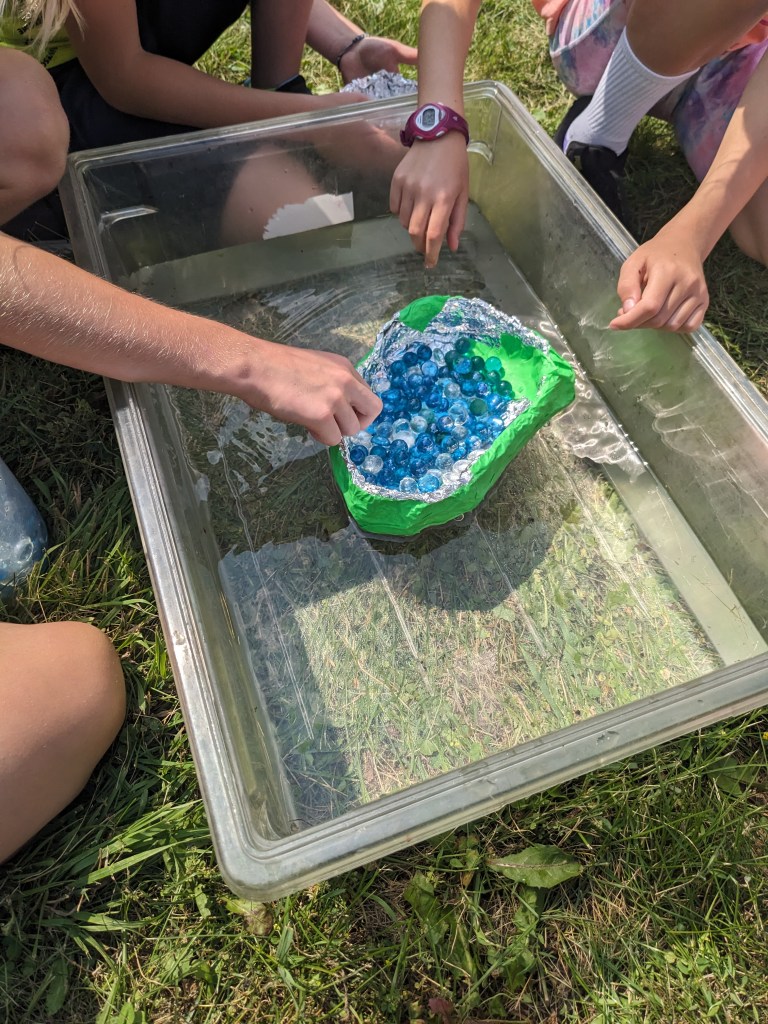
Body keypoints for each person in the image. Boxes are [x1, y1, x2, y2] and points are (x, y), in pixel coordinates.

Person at [0, 37, 384, 862]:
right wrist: (247, 361)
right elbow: (123, 74)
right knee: (74, 678)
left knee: (312, 226)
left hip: (145, 120)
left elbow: (279, 62)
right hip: (112, 114)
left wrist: (336, 62)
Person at [389, 0, 768, 333]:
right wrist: (438, 125)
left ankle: (645, 109)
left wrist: (693, 234)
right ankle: (600, 130)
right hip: (617, 32)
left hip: (741, 63)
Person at [1, 0, 417, 241]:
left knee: (390, 167)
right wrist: (310, 122)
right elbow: (123, 78)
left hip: (138, 57)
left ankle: (274, 126)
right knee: (306, 224)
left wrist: (345, 46)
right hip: (59, 88)